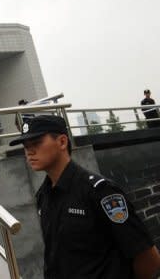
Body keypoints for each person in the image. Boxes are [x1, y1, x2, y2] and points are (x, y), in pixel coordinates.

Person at [9, 115, 160, 279]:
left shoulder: (100, 191)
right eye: (25, 146)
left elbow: (148, 257)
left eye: (37, 143)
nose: (29, 152)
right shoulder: (43, 196)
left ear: (62, 142)